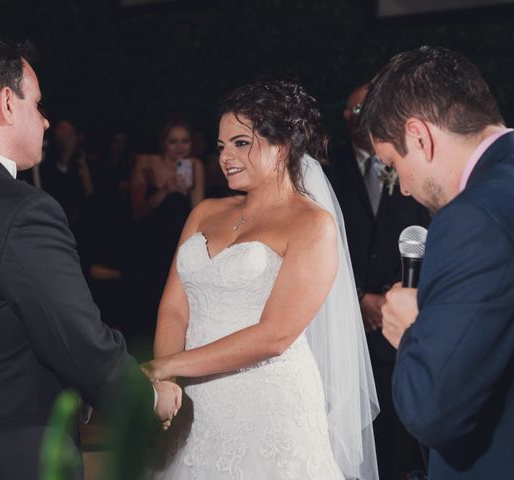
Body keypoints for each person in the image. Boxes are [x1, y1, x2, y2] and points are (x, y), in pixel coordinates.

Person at [0, 34, 181, 480]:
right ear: (7, 104)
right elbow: (80, 344)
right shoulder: (23, 210)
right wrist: (149, 400)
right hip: (12, 464)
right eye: (39, 104)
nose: (47, 123)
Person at [142, 79, 379, 479]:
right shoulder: (204, 213)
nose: (226, 157)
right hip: (194, 404)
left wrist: (165, 366)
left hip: (267, 406)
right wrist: (168, 382)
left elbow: (275, 335)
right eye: (220, 146)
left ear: (282, 145)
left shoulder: (312, 224)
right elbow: (174, 307)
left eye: (240, 143)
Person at [360, 46, 514, 480]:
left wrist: (411, 333)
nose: (402, 188)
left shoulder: (473, 219)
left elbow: (432, 410)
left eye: (393, 165)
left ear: (420, 136)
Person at [325, 83, 429, 479]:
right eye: (353, 108)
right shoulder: (327, 168)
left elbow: (426, 227)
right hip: (345, 318)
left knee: (402, 431)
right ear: (344, 116)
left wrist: (398, 295)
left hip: (400, 312)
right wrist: (357, 298)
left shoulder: (409, 163)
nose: (359, 114)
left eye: (366, 106)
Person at [128, 120, 205, 342]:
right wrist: (166, 190)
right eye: (173, 141)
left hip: (177, 247)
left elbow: (197, 211)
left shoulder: (194, 165)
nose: (180, 147)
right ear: (163, 143)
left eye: (185, 141)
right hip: (147, 245)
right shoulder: (146, 163)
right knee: (145, 309)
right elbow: (137, 212)